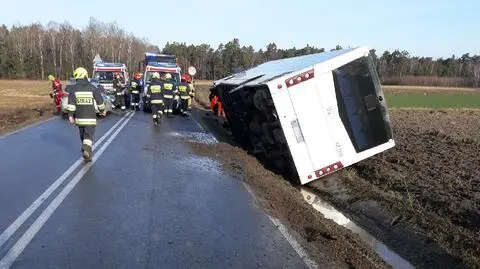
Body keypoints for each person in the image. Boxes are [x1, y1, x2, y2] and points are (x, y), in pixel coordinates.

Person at [67, 67, 106, 162]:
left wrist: (70, 116)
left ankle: (87, 153)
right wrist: (102, 110)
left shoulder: (73, 89)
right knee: (88, 137)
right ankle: (86, 150)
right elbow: (100, 101)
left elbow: (71, 105)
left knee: (83, 136)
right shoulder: (92, 88)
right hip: (90, 118)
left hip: (79, 119)